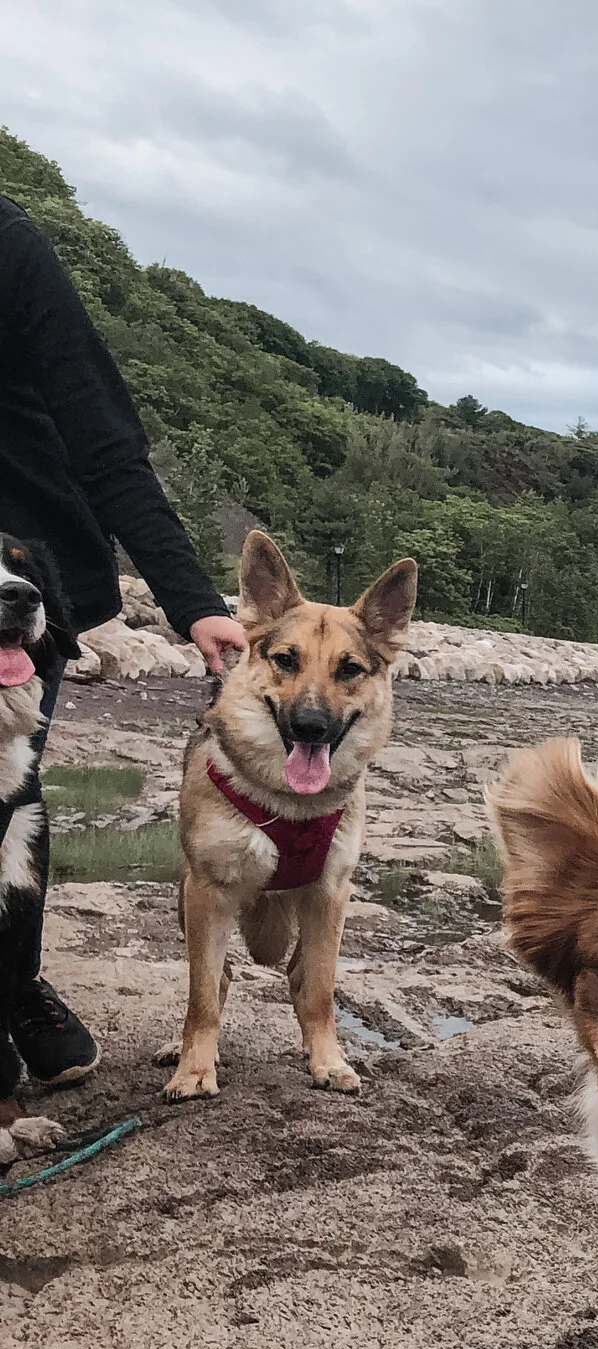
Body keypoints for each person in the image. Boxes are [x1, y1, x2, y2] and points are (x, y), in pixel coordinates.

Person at [0, 191, 248, 1087]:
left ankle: (14, 984)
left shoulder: (10, 244)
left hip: (27, 583)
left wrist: (193, 600)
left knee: (10, 791)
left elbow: (106, 443)